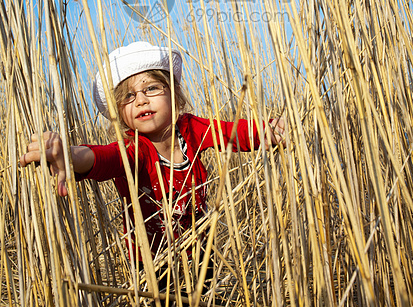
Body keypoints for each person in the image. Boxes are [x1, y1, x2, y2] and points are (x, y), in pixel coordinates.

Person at [20, 41, 285, 300]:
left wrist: (269, 130)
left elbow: (232, 132)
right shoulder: (134, 150)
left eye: (151, 88)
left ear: (174, 94)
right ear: (118, 113)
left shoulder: (191, 130)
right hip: (153, 264)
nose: (141, 100)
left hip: (201, 252)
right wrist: (70, 154)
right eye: (128, 96)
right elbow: (103, 157)